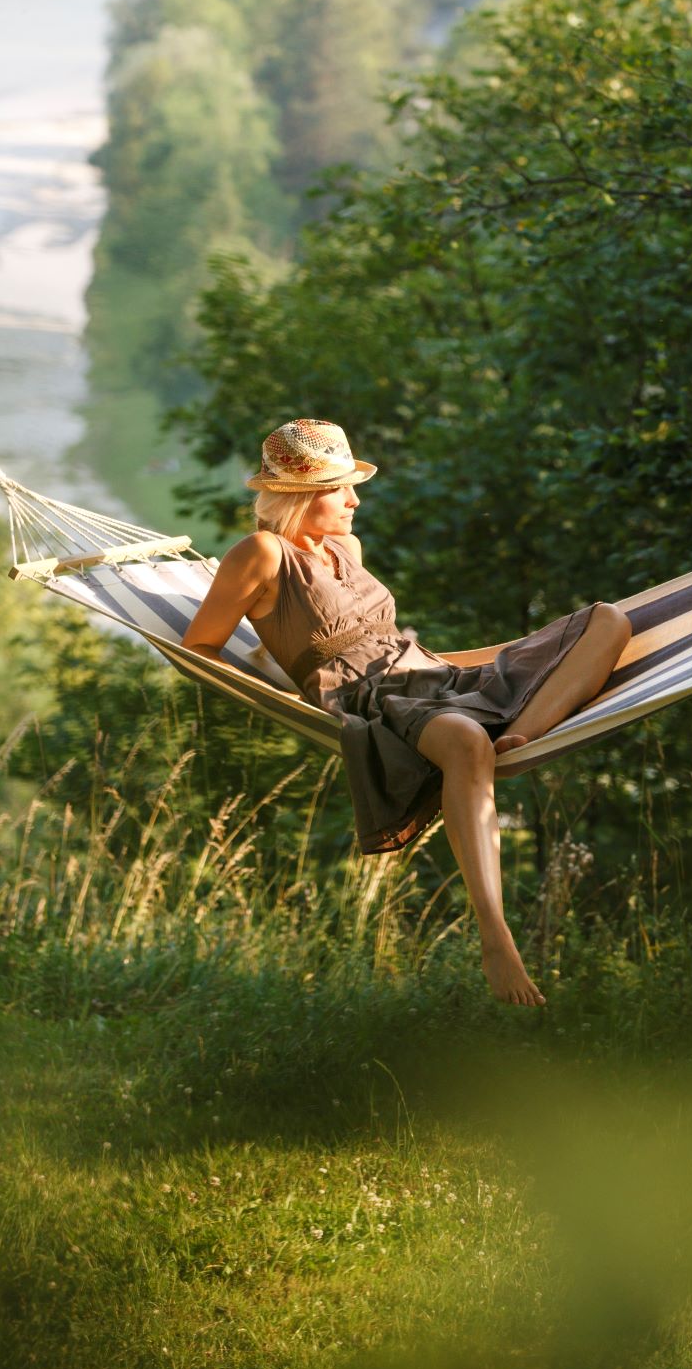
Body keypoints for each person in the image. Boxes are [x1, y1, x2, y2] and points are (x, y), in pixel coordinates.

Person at [181, 419, 630, 1007]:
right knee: (466, 741)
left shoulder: (347, 546)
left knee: (609, 620)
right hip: (376, 704)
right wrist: (280, 693)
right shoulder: (262, 554)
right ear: (299, 495)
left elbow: (392, 639)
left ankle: (521, 732)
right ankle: (495, 935)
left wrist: (509, 652)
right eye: (340, 488)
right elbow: (198, 649)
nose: (354, 499)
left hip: (432, 674)